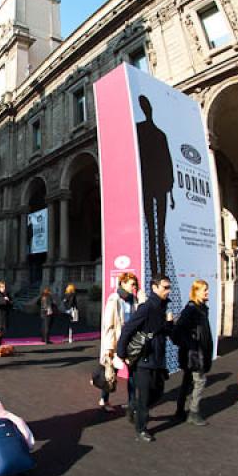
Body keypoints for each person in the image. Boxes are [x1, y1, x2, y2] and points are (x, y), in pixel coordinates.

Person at [116, 274, 174, 443]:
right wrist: (121, 354)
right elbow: (128, 329)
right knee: (145, 395)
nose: (168, 291)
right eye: (165, 287)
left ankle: (133, 406)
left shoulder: (164, 307)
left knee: (158, 392)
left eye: (169, 287)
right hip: (143, 358)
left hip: (158, 357)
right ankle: (141, 428)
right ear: (154, 288)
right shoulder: (147, 307)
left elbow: (167, 332)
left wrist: (170, 324)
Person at [137, 95, 175, 278]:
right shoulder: (155, 132)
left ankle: (159, 272)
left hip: (155, 185)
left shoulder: (155, 133)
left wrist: (172, 191)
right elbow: (166, 162)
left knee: (156, 231)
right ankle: (157, 272)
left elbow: (167, 161)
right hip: (156, 185)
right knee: (155, 231)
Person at [173, 279, 214, 426]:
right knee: (200, 381)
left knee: (187, 381)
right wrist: (192, 345)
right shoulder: (192, 309)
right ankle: (193, 412)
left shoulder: (201, 308)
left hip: (196, 352)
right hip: (194, 354)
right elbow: (178, 330)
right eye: (205, 290)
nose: (207, 292)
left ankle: (180, 411)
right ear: (196, 291)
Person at [101, 273, 141, 414]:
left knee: (132, 373)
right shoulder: (114, 299)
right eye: (132, 284)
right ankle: (104, 399)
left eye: (135, 284)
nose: (134, 287)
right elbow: (109, 325)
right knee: (112, 373)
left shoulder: (134, 300)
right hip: (117, 341)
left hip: (131, 341)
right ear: (122, 283)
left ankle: (131, 403)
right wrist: (108, 348)